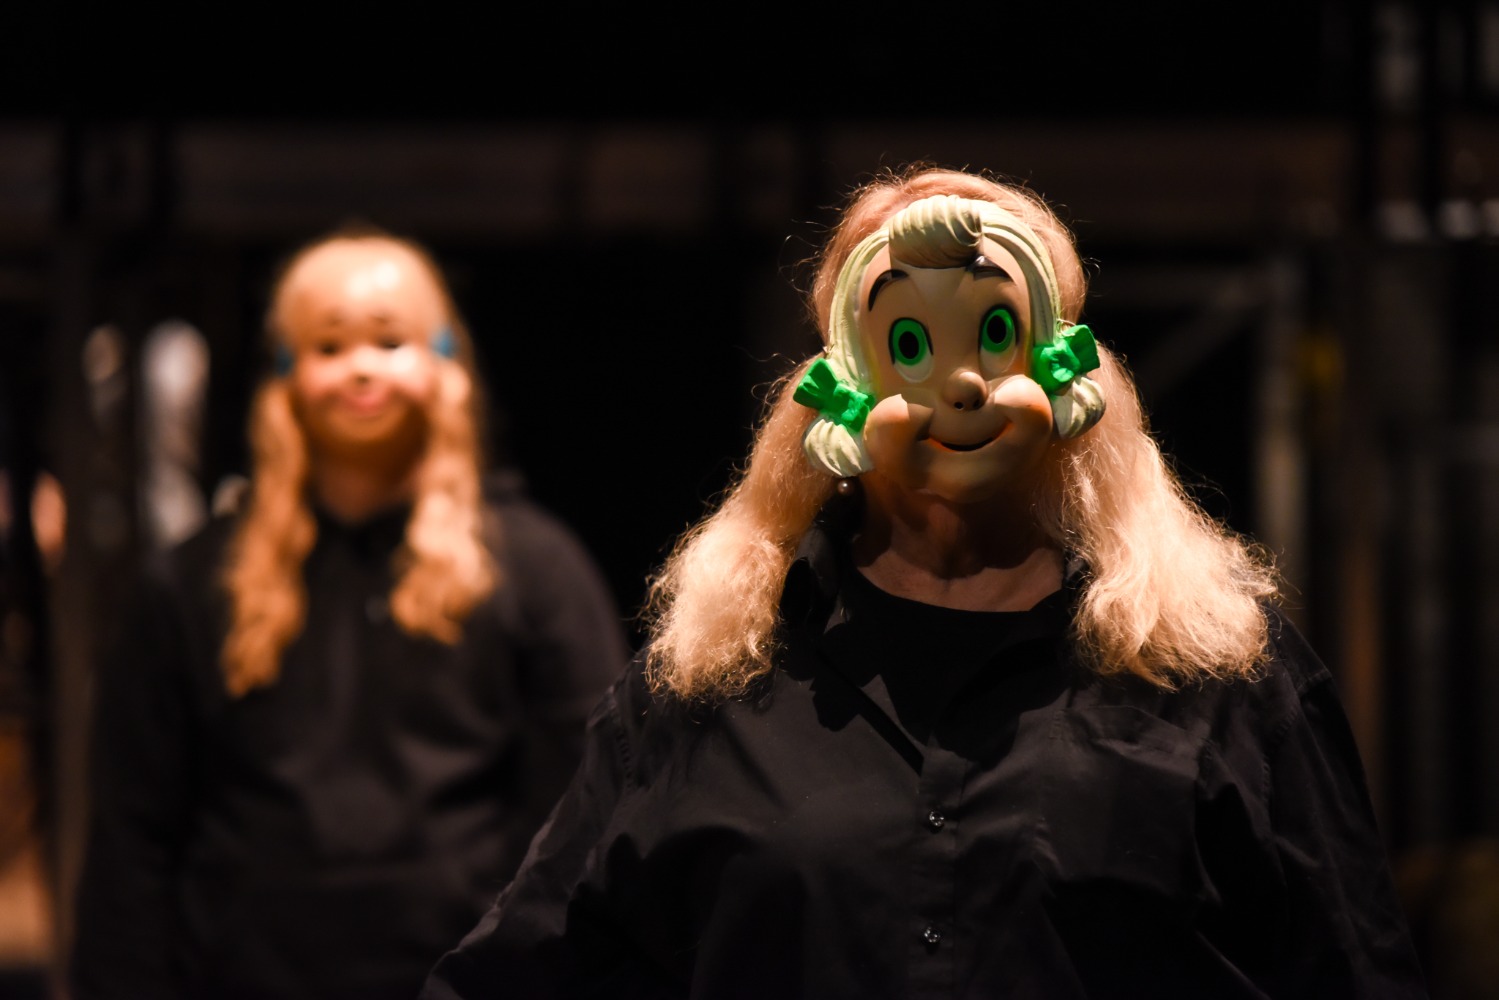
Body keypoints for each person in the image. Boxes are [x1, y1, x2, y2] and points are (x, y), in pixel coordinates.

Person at [421, 167, 1426, 999]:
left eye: (993, 335)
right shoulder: (708, 678)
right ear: (842, 381)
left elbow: (1352, 971)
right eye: (908, 344)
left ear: (1064, 362)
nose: (960, 385)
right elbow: (522, 970)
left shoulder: (1218, 671)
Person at [70, 228, 629, 1000]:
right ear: (285, 374)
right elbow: (132, 838)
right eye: (328, 346)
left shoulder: (539, 568)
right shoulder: (190, 581)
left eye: (390, 341)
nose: (361, 367)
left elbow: (583, 816)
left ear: (444, 363)